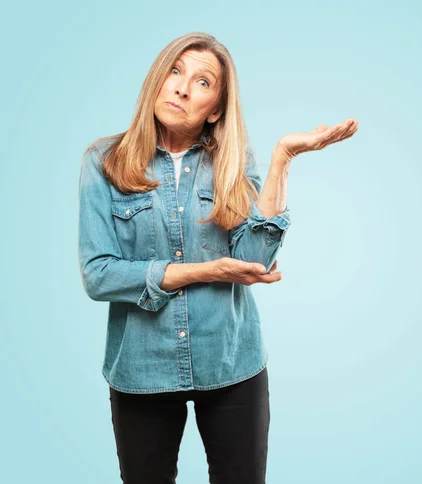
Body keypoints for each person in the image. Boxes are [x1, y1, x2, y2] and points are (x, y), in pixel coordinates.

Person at [78, 32, 358, 484]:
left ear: (216, 109)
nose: (182, 87)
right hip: (141, 370)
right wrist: (205, 271)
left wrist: (282, 159)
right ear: (158, 79)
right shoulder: (103, 161)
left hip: (231, 363)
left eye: (202, 81)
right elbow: (99, 275)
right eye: (175, 71)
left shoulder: (230, 160)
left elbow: (254, 261)